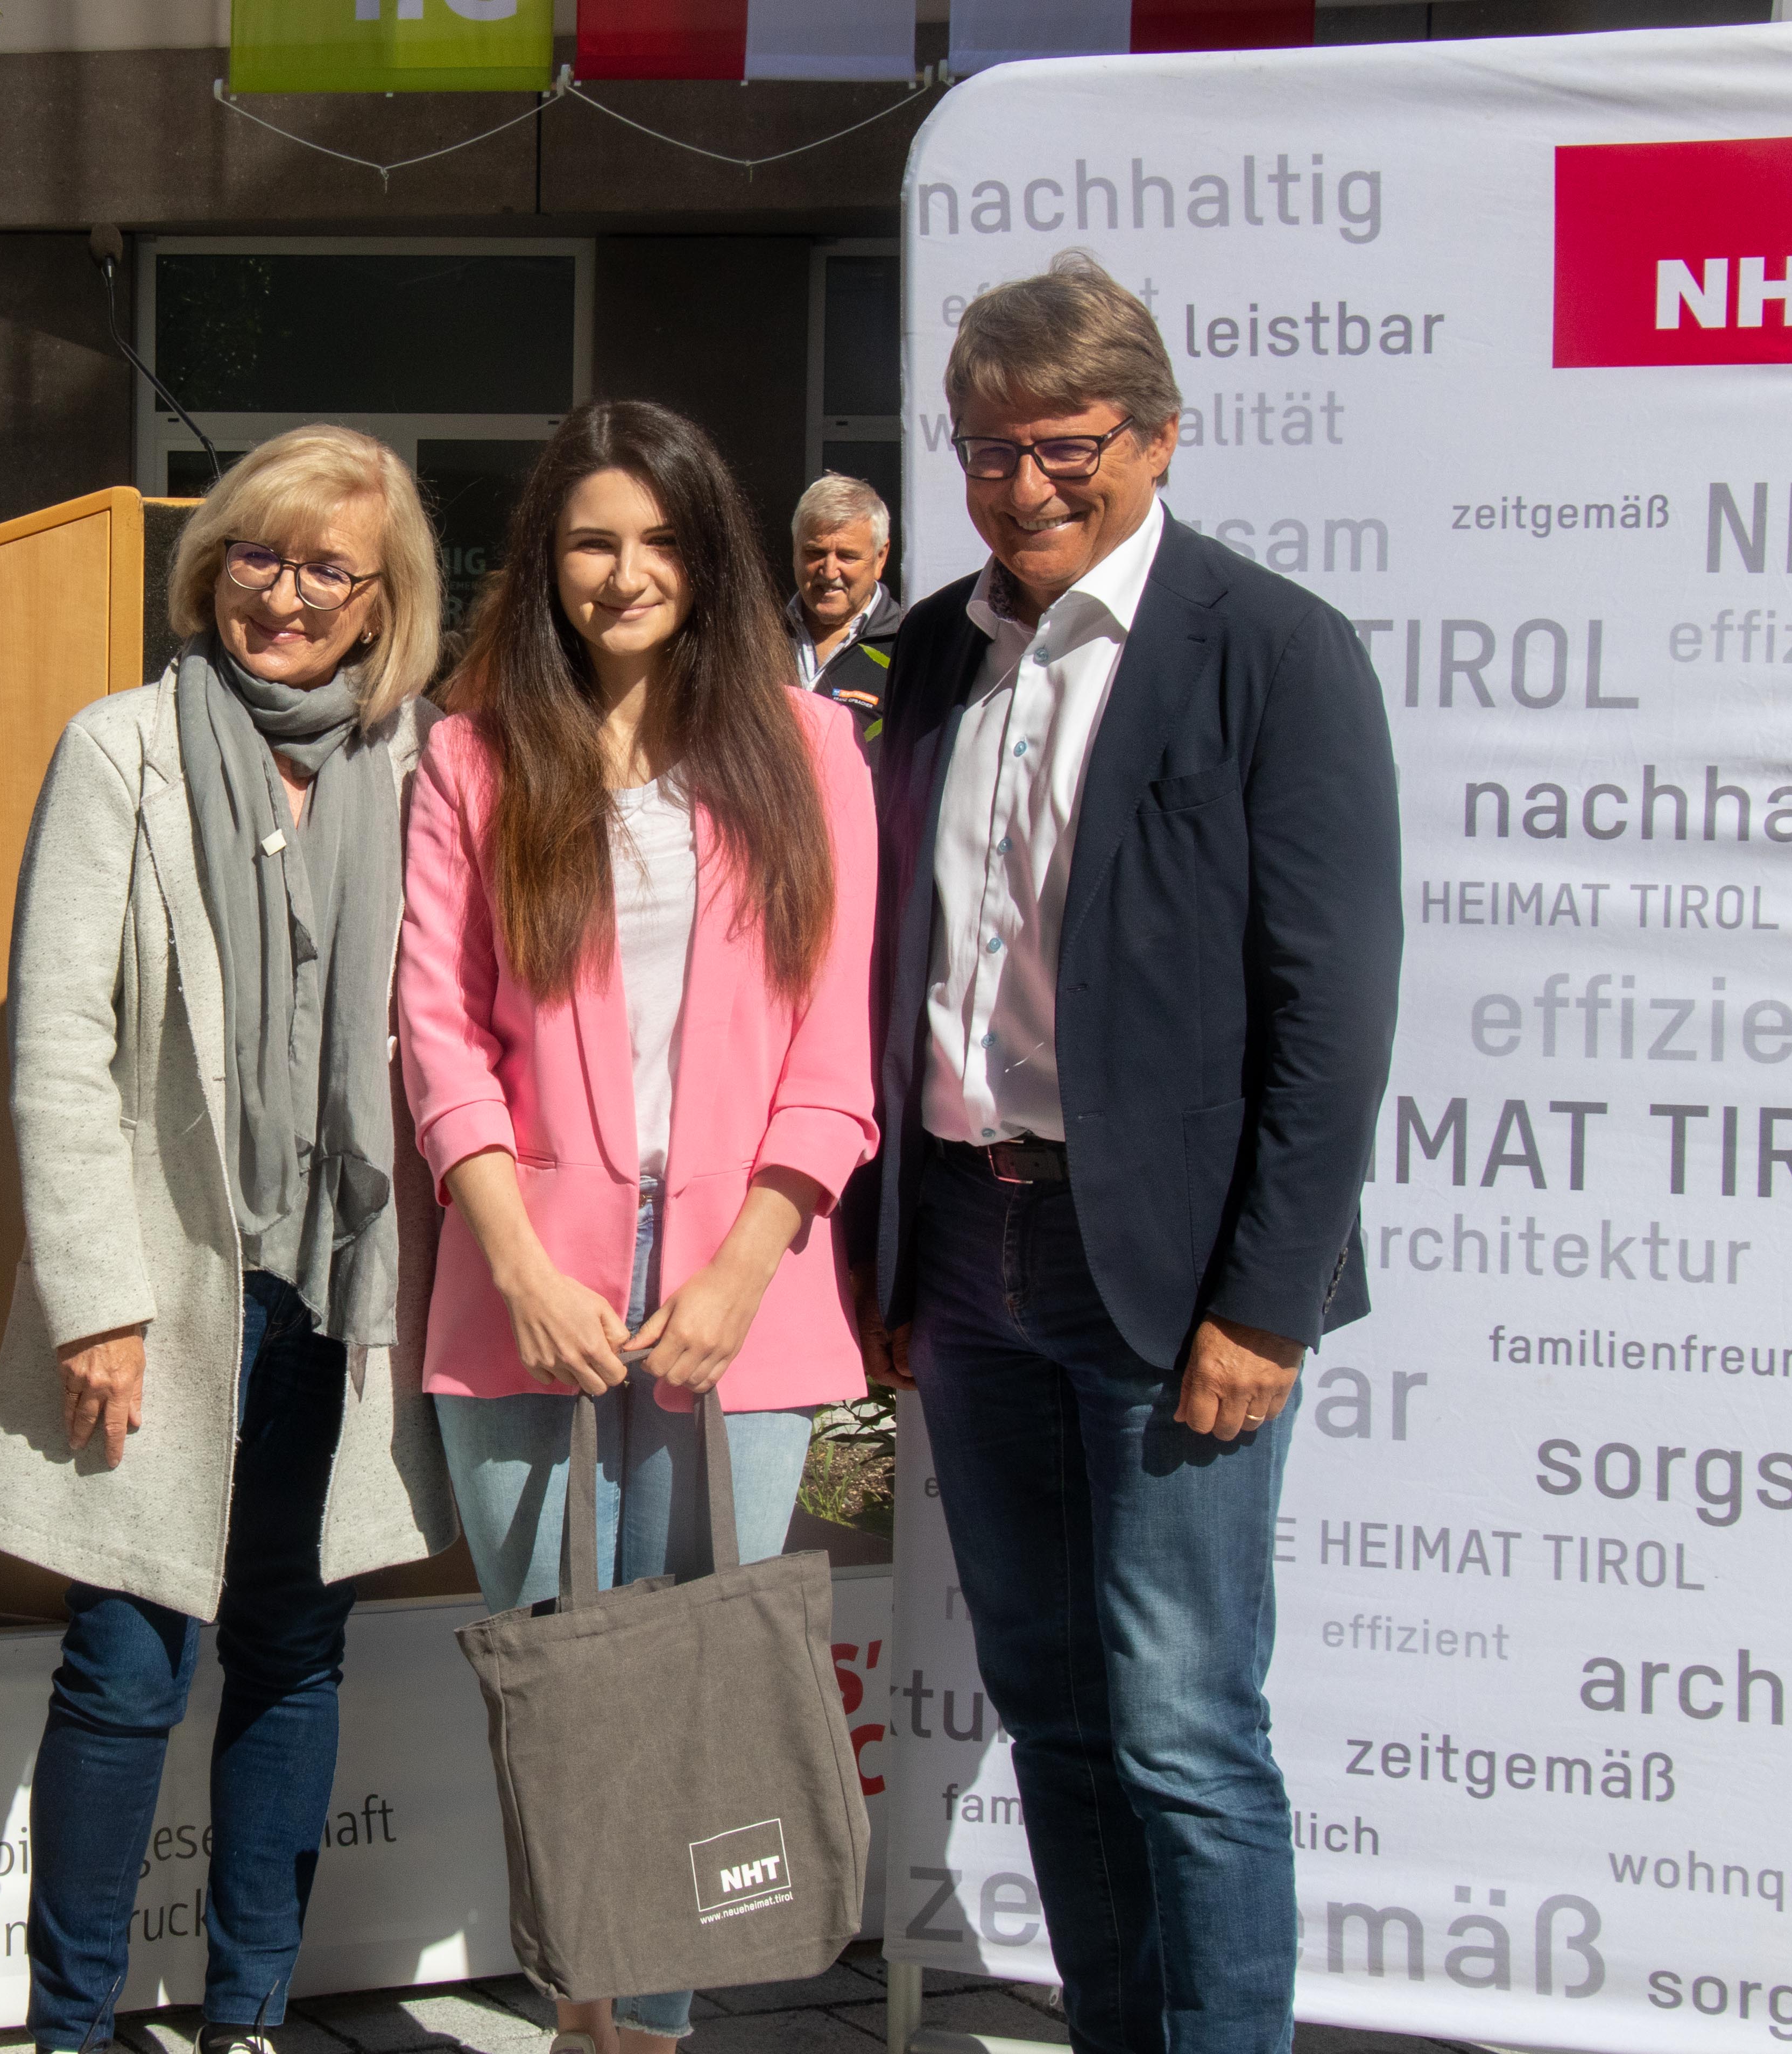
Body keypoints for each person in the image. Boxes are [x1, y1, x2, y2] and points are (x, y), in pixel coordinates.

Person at [849, 252, 1399, 2054]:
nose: (1022, 481)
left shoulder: (1268, 649)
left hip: (1169, 1276)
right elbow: (889, 968)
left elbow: (1329, 1015)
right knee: (1051, 1703)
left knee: (1180, 1720)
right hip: (970, 1250)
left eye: (1065, 443)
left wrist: (1262, 1304)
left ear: (1156, 438)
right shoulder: (928, 650)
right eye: (986, 447)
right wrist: (887, 1260)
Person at [0, 425, 458, 2054]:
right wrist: (93, 1302)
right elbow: (59, 1047)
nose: (287, 595)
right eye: (258, 554)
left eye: (329, 568)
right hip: (167, 1288)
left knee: (295, 1656)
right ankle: (72, 2026)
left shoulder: (429, 767)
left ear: (386, 599)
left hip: (346, 1287)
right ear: (209, 562)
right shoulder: (124, 750)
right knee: (121, 1664)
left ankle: (248, 2013)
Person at [396, 399, 879, 2054]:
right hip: (524, 1291)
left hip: (745, 1293)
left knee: (697, 1690)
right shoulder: (470, 753)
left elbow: (835, 1050)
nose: (626, 572)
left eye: (660, 540)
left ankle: (647, 2034)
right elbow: (439, 1033)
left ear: (709, 557)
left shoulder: (809, 749)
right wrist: (520, 1262)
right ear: (546, 560)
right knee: (560, 1683)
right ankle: (582, 2009)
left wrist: (743, 1264)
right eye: (593, 539)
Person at [783, 473, 901, 729]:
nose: (829, 571)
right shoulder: (756, 639)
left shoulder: (909, 647)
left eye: (847, 556)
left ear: (880, 558)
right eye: (815, 553)